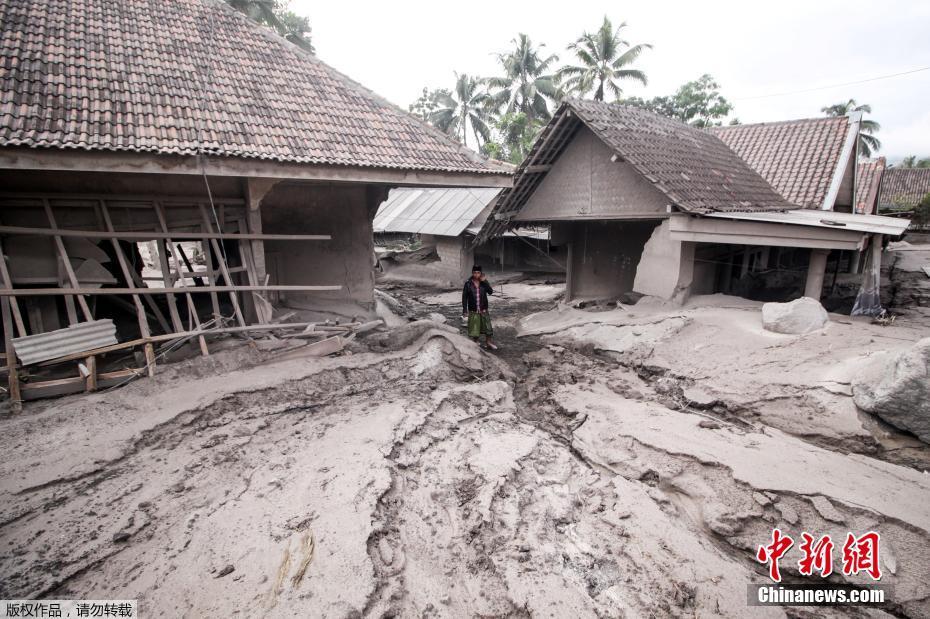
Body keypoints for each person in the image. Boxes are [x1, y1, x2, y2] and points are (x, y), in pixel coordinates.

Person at [461, 265, 498, 350]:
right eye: (474, 272)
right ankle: (476, 342)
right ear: (472, 273)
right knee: (475, 328)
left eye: (478, 272)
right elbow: (464, 298)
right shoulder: (468, 284)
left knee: (488, 327)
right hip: (473, 310)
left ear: (481, 273)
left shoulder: (483, 282)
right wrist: (464, 310)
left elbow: (490, 292)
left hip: (483, 309)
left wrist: (485, 281)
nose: (476, 274)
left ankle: (488, 343)